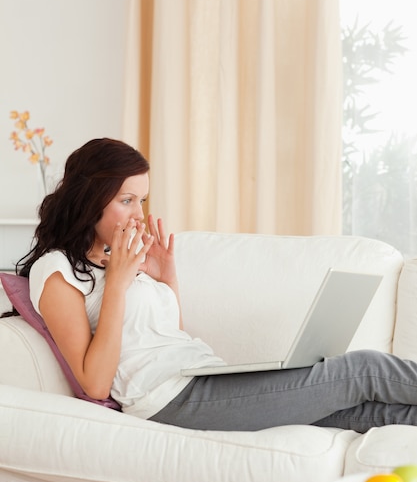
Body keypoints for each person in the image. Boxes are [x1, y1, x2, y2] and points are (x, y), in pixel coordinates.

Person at [17, 137, 417, 433]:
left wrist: (166, 276)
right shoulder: (56, 270)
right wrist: (119, 284)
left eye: (142, 200)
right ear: (90, 199)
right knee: (363, 369)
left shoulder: (119, 258)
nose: (138, 213)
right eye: (127, 200)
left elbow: (165, 338)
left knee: (377, 415)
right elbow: (95, 381)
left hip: (206, 376)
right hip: (168, 400)